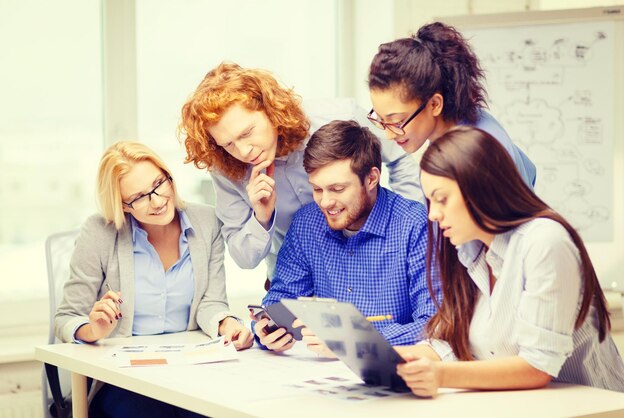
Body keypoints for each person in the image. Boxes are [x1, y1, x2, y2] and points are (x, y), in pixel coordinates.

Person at [394, 126, 624, 397]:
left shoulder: (545, 242)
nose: (433, 214)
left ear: (480, 187)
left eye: (442, 200)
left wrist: (441, 375)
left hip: (594, 407)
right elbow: (452, 345)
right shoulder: (469, 251)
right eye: (430, 201)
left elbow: (538, 367)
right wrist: (394, 359)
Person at [55, 141, 253, 418]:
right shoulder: (99, 232)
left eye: (159, 184)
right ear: (122, 206)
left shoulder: (207, 221)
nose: (158, 201)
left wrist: (227, 323)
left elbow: (211, 302)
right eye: (139, 197)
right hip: (125, 379)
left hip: (191, 370)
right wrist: (93, 329)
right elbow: (66, 317)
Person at [179, 62, 422, 287]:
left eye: (247, 133)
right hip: (295, 279)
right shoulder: (224, 167)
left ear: (269, 110)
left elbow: (399, 159)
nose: (243, 151)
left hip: (372, 265)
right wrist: (261, 218)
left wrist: (404, 233)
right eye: (228, 144)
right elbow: (244, 258)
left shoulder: (336, 116)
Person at [253, 120, 438, 356]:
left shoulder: (415, 225)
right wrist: (265, 329)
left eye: (337, 189)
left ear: (371, 179)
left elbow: (436, 322)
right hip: (318, 374)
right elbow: (282, 299)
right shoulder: (307, 222)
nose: (325, 202)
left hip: (396, 370)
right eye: (317, 189)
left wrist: (355, 341)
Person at [367, 21, 537, 201]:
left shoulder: (478, 151)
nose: (389, 135)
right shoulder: (455, 133)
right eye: (380, 121)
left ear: (434, 104)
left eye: (397, 122)